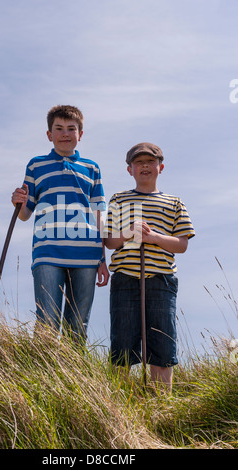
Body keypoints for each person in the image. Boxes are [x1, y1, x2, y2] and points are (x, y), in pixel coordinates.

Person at [11, 105, 109, 341]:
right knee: (47, 320)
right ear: (49, 134)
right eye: (59, 128)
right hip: (48, 252)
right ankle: (43, 375)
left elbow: (99, 215)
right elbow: (25, 214)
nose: (65, 133)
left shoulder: (91, 168)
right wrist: (18, 202)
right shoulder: (36, 165)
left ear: (80, 134)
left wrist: (102, 259)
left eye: (71, 129)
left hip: (86, 255)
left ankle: (72, 376)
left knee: (78, 323)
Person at [104, 142, 195, 391]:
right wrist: (129, 233)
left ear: (160, 167)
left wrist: (153, 237)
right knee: (122, 343)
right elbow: (110, 241)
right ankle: (118, 406)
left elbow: (182, 244)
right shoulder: (119, 199)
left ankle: (160, 406)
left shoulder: (174, 202)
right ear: (129, 169)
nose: (145, 166)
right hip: (125, 278)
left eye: (150, 161)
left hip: (161, 279)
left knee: (162, 343)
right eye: (138, 162)